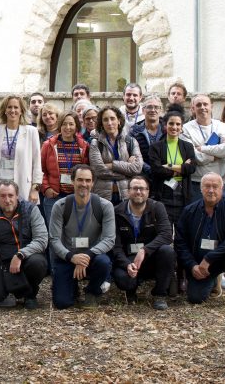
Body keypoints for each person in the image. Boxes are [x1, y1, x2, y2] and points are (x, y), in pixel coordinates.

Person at [48, 164, 115, 309]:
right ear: (72, 181)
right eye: (79, 180)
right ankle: (72, 287)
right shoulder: (60, 206)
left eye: (87, 180)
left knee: (104, 262)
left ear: (93, 183)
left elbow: (109, 239)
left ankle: (92, 291)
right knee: (62, 303)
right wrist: (72, 257)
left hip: (93, 257)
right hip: (67, 257)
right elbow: (54, 239)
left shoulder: (105, 206)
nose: (83, 184)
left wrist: (86, 256)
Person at [174, 173, 225, 305]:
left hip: (222, 258)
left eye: (215, 187)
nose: (211, 190)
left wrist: (209, 258)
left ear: (222, 189)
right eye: (207, 186)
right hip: (198, 263)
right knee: (195, 298)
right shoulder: (189, 211)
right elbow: (180, 243)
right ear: (201, 188)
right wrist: (192, 266)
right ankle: (213, 280)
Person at [0, 181, 47, 311]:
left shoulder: (31, 210)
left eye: (10, 195)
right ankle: (10, 290)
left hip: (27, 259)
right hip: (4, 264)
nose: (7, 200)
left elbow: (42, 240)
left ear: (17, 196)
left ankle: (30, 295)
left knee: (38, 263)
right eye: (2, 196)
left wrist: (20, 255)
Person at [111, 175, 174, 310]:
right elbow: (115, 247)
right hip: (128, 259)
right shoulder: (117, 212)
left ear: (148, 192)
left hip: (150, 258)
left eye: (142, 189)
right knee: (124, 280)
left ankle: (160, 294)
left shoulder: (157, 207)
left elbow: (167, 234)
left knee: (167, 251)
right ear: (128, 191)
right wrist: (127, 264)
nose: (138, 192)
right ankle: (131, 289)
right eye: (135, 188)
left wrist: (145, 250)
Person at [145, 110, 197, 232]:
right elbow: (156, 169)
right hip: (163, 193)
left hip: (182, 193)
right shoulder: (155, 147)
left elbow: (191, 168)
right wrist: (181, 168)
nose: (174, 127)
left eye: (178, 124)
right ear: (165, 126)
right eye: (171, 124)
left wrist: (168, 166)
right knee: (164, 231)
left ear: (182, 127)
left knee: (182, 232)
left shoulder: (188, 146)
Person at [0, 95, 42, 206]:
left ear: (21, 110)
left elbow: (36, 162)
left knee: (22, 219)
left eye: (16, 107)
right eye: (9, 107)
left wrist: (35, 188)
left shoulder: (31, 131)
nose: (13, 110)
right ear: (5, 110)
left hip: (22, 183)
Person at [182, 94, 225, 202]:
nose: (202, 107)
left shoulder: (222, 127)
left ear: (211, 106)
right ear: (193, 109)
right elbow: (194, 157)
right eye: (198, 105)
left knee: (221, 218)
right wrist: (216, 155)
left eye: (205, 104)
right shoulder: (185, 129)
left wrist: (203, 149)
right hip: (197, 185)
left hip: (220, 183)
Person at [40, 113, 90, 224]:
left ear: (76, 126)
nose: (68, 127)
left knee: (75, 231)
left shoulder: (84, 146)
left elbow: (88, 171)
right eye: (64, 124)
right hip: (54, 196)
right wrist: (46, 188)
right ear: (59, 126)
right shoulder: (48, 145)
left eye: (71, 124)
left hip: (77, 196)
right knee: (55, 232)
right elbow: (40, 169)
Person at [88, 106, 143, 203]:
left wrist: (112, 165)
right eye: (105, 120)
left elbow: (137, 168)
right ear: (101, 124)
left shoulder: (130, 141)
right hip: (102, 197)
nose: (109, 123)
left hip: (126, 196)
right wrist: (126, 173)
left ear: (119, 121)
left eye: (112, 118)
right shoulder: (96, 143)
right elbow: (98, 170)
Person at [129, 94, 166, 161]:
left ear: (161, 110)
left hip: (165, 169)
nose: (153, 110)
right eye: (149, 107)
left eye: (156, 107)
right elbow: (133, 157)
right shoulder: (134, 131)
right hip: (142, 170)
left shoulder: (167, 130)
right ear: (143, 110)